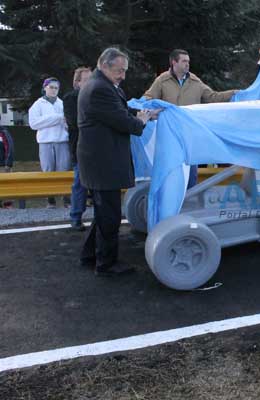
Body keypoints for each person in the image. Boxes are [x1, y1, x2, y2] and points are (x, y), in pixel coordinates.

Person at [77, 48, 153, 276]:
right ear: (104, 64)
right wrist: (141, 120)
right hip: (103, 163)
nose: (123, 75)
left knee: (103, 212)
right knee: (109, 215)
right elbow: (124, 122)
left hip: (100, 160)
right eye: (120, 71)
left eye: (124, 71)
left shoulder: (102, 85)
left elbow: (120, 109)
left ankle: (90, 255)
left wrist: (145, 112)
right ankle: (107, 264)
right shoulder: (100, 89)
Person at [143, 49, 238, 188]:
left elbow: (212, 97)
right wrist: (152, 110)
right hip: (170, 135)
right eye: (184, 61)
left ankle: (190, 202)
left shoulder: (195, 81)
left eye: (188, 61)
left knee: (191, 172)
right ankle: (172, 203)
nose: (188, 64)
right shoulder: (162, 80)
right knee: (171, 171)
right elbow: (148, 98)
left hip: (190, 135)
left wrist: (234, 93)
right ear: (174, 62)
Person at [28, 77, 71, 208]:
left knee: (64, 170)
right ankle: (50, 200)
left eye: (56, 88)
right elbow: (34, 123)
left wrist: (48, 121)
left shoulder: (62, 104)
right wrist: (57, 118)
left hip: (62, 141)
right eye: (51, 87)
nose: (53, 90)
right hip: (45, 142)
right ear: (45, 88)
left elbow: (67, 122)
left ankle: (66, 199)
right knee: (47, 170)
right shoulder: (37, 105)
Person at [63, 67, 92, 231]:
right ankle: (76, 217)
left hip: (97, 147)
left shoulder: (97, 96)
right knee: (80, 183)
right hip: (80, 147)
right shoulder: (70, 99)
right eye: (86, 80)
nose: (90, 83)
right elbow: (74, 122)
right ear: (77, 82)